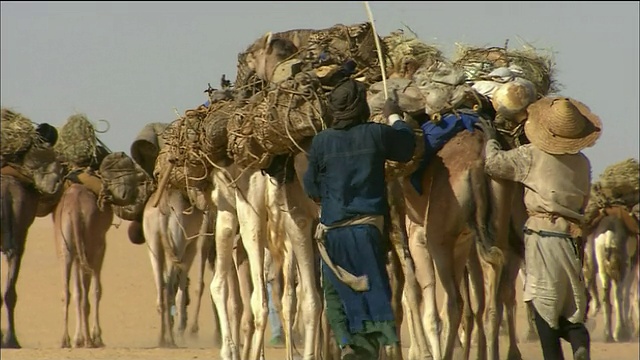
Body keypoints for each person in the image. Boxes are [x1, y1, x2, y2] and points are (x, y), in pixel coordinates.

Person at [476, 96, 602, 360]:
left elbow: (494, 165)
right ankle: (579, 346)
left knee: (543, 307)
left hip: (541, 236)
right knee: (571, 307)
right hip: (571, 238)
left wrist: (490, 138)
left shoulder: (530, 156)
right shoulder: (583, 163)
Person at [303, 76, 416, 360]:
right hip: (367, 231)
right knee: (367, 291)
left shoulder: (320, 142)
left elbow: (311, 188)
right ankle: (365, 351)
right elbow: (406, 148)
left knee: (336, 293)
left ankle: (345, 343)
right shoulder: (376, 134)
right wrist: (394, 116)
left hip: (332, 232)